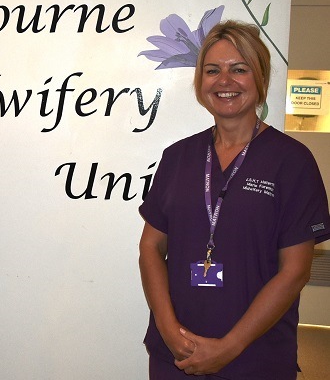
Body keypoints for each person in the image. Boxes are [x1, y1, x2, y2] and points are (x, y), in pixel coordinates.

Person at [138, 20, 330, 379]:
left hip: (255, 357)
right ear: (200, 82)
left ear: (259, 79)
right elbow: (150, 246)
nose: (224, 81)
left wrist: (229, 347)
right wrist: (168, 330)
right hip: (176, 356)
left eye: (239, 69)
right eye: (213, 70)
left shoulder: (292, 161)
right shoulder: (177, 157)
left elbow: (295, 270)